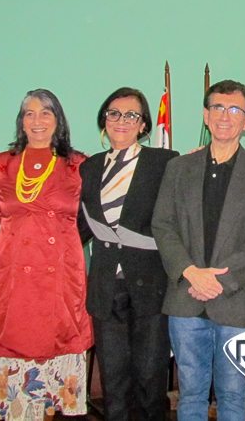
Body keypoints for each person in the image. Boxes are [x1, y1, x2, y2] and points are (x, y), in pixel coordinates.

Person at [152, 79, 245, 421]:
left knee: (233, 396)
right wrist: (191, 272)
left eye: (235, 109)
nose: (225, 116)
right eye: (218, 108)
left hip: (236, 301)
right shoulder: (178, 168)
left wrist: (218, 280)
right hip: (185, 297)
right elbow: (162, 225)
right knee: (190, 394)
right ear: (206, 115)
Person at [0, 89, 93, 421]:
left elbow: (97, 216)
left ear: (58, 120)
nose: (37, 120)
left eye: (45, 112)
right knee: (14, 349)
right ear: (21, 121)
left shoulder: (78, 164)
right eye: (29, 113)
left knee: (57, 351)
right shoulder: (0, 164)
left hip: (60, 276)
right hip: (14, 276)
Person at [78, 87, 178, 420]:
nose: (121, 121)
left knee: (150, 380)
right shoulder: (90, 167)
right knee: (114, 382)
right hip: (106, 288)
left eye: (131, 115)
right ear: (104, 120)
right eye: (114, 113)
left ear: (143, 124)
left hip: (151, 288)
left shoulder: (164, 162)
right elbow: (80, 226)